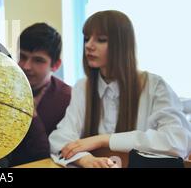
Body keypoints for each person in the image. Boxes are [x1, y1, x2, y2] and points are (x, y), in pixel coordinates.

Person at [49, 10, 191, 168]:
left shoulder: (155, 86)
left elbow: (178, 142)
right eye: (87, 38)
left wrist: (103, 139)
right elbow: (60, 138)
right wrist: (86, 159)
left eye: (101, 40)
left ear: (123, 45)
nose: (89, 46)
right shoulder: (83, 86)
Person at [7, 23, 71, 167]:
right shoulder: (4, 89)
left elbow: (47, 155)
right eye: (22, 57)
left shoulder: (68, 100)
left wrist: (30, 111)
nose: (26, 66)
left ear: (56, 65)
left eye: (38, 60)